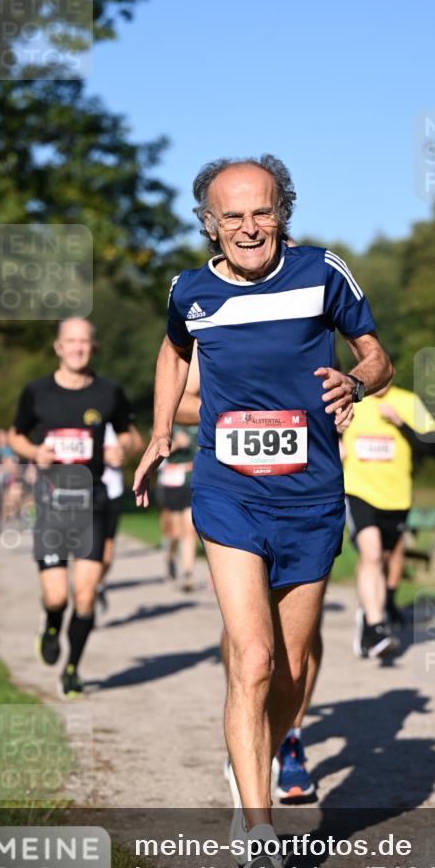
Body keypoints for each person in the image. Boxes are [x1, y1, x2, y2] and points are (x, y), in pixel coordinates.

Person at [134, 155, 392, 868]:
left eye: (263, 210)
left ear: (283, 210)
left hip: (310, 492)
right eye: (232, 215)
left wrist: (356, 380)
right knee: (250, 658)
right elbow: (172, 350)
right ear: (209, 223)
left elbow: (377, 356)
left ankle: (262, 745)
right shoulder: (190, 290)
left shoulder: (321, 273)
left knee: (291, 664)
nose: (249, 226)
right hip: (227, 491)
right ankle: (256, 831)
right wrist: (159, 432)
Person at [176, 344, 331, 802]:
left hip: (306, 492)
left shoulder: (314, 307)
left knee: (298, 649)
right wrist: (252, 414)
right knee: (253, 650)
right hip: (236, 496)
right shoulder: (212, 321)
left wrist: (339, 404)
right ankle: (252, 756)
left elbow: (340, 388)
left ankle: (288, 736)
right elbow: (180, 403)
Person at [9, 318, 138, 698]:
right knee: (57, 597)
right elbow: (15, 435)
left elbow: (132, 434)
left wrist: (123, 449)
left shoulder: (109, 392)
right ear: (58, 347)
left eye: (84, 341)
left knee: (84, 596)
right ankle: (50, 625)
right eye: (71, 341)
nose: (78, 347)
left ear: (92, 347)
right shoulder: (36, 392)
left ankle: (72, 669)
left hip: (93, 502)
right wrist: (35, 452)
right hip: (51, 502)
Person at [342, 379, 435, 657]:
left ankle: (368, 617)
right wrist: (336, 440)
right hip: (358, 491)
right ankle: (376, 626)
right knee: (371, 554)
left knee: (381, 560)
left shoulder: (409, 401)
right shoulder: (350, 399)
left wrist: (400, 423)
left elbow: (433, 446)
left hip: (397, 498)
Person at [97, 421, 144, 613]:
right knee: (85, 549)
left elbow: (138, 443)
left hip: (112, 492)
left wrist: (123, 452)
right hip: (85, 491)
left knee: (107, 553)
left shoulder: (116, 414)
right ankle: (86, 591)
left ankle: (97, 585)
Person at [154, 422, 198, 591]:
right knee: (174, 532)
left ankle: (188, 575)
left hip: (189, 480)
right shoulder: (166, 421)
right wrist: (177, 444)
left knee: (189, 530)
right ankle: (170, 556)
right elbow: (156, 451)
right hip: (170, 482)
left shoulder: (199, 419)